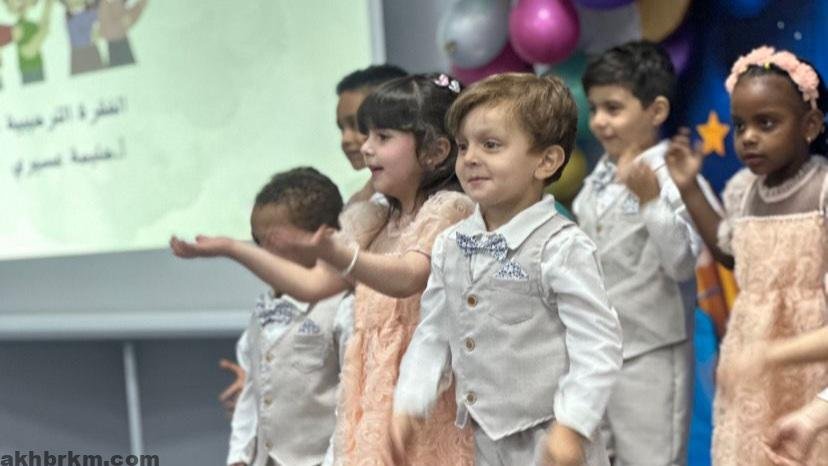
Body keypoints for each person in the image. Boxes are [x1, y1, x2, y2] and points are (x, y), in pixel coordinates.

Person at [173, 74, 475, 465]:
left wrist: (338, 253)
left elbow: (407, 276)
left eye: (383, 137)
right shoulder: (372, 219)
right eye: (367, 135)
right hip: (370, 398)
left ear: (435, 151)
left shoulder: (449, 209)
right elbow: (311, 284)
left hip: (421, 400)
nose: (365, 147)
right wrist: (232, 249)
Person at [392, 72, 622, 466]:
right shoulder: (451, 243)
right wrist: (410, 402)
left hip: (552, 438)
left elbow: (597, 344)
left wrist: (573, 424)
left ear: (546, 161)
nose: (471, 158)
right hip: (484, 437)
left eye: (491, 145)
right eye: (463, 146)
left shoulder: (561, 246)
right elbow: (433, 333)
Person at [666, 45, 828, 465]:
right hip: (751, 345)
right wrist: (689, 189)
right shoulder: (743, 190)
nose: (748, 137)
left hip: (810, 350)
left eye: (766, 123)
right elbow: (730, 253)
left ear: (810, 126)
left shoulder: (823, 191)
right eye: (739, 125)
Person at [573, 40, 714, 466]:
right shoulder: (596, 179)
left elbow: (682, 264)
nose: (599, 121)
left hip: (652, 351)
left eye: (613, 108)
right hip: (597, 351)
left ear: (656, 111)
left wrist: (652, 202)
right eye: (594, 109)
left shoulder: (675, 176)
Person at [172, 167, 350, 466]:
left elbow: (350, 405)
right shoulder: (263, 311)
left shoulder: (341, 307)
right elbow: (252, 392)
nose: (262, 254)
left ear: (325, 237)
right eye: (257, 241)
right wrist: (240, 456)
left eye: (274, 242)